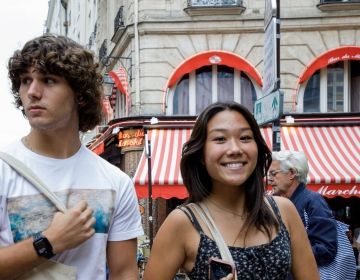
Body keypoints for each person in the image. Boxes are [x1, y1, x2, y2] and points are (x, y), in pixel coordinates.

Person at [0, 34, 143, 279]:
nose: (33, 92)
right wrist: (48, 242)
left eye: (48, 80)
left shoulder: (116, 182)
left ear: (78, 93)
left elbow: (124, 273)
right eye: (25, 80)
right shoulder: (4, 170)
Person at [143, 102, 318, 280]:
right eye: (220, 139)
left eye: (245, 138)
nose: (235, 149)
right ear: (201, 155)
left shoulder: (283, 211)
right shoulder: (181, 223)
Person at [269, 150, 338, 277]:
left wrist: (285, 254)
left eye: (273, 173)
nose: (269, 179)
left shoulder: (313, 201)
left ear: (292, 173)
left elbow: (327, 249)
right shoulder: (278, 202)